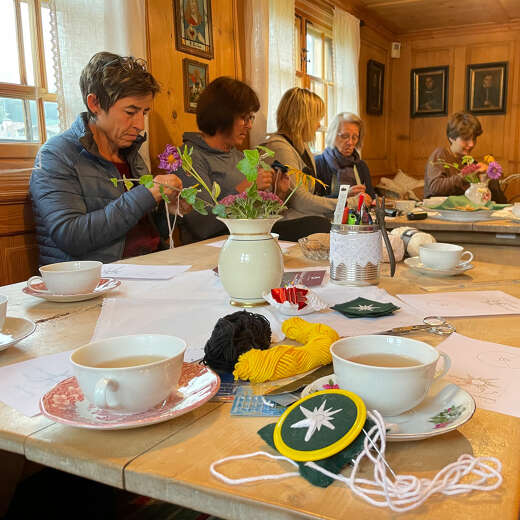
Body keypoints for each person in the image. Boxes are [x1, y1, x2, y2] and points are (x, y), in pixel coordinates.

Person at [30, 52, 188, 266]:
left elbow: (147, 233)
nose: (140, 125)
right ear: (94, 103)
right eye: (131, 112)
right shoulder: (56, 154)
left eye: (145, 112)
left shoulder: (131, 155)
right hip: (94, 282)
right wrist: (145, 195)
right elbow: (70, 236)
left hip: (148, 270)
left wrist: (170, 210)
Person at [176, 76, 276, 243]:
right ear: (222, 115)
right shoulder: (190, 157)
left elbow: (258, 215)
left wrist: (278, 193)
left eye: (251, 118)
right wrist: (245, 189)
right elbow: (203, 224)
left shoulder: (240, 156)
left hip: (249, 239)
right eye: (244, 117)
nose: (249, 125)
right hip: (213, 246)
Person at [261, 88, 367, 218]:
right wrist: (349, 202)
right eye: (317, 119)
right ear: (302, 119)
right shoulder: (280, 148)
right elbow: (300, 201)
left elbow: (312, 198)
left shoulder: (302, 147)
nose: (318, 125)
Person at [314, 112, 375, 204]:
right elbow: (314, 202)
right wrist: (344, 195)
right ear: (333, 136)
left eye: (354, 137)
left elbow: (371, 196)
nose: (350, 142)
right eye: (345, 136)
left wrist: (370, 199)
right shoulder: (318, 163)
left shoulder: (361, 166)